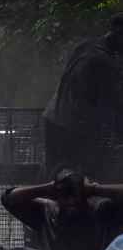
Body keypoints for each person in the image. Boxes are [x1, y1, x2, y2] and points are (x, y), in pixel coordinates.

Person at [43, 15, 123, 178]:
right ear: (118, 31)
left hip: (53, 115)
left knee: (54, 172)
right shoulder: (103, 61)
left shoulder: (85, 46)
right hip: (72, 126)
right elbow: (114, 104)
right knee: (75, 178)